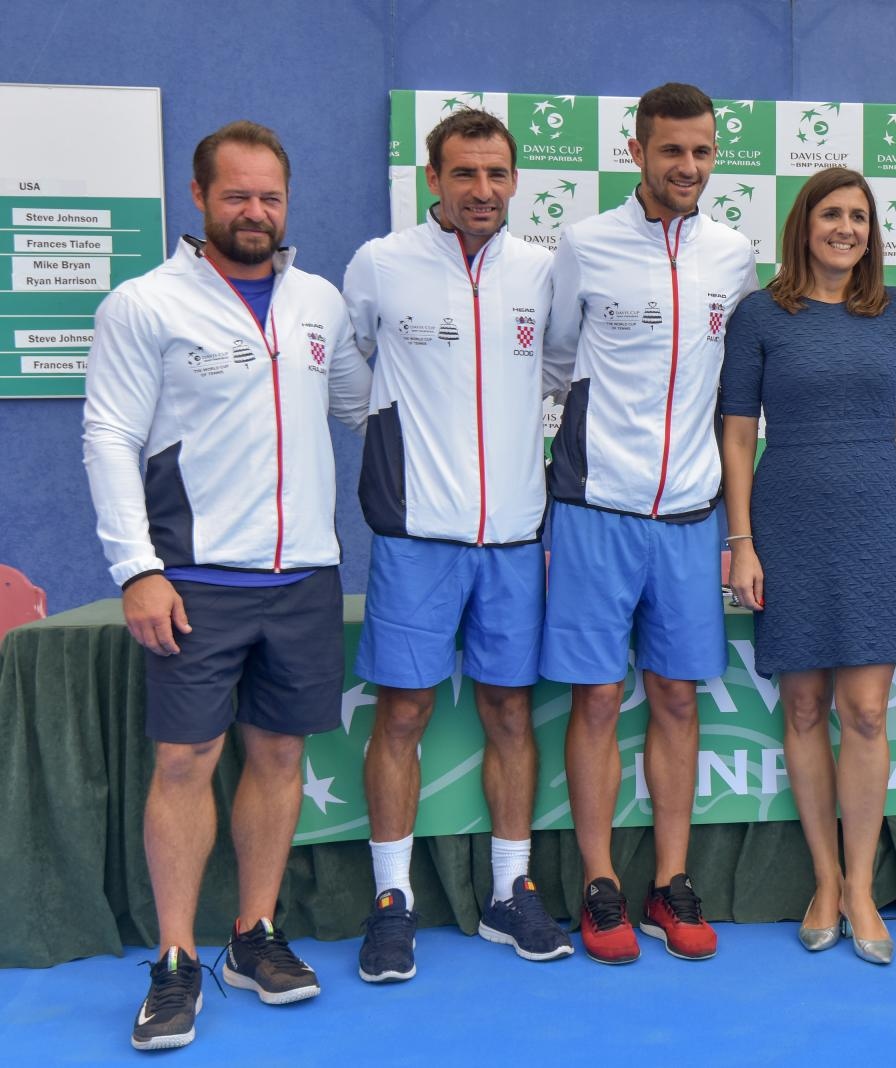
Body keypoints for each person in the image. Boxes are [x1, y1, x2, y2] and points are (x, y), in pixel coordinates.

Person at [83, 120, 371, 1050]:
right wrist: (137, 570)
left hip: (304, 577)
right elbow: (110, 440)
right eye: (238, 195)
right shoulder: (145, 304)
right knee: (184, 763)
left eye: (271, 197)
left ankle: (253, 935)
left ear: (289, 202)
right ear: (200, 199)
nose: (256, 212)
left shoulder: (319, 302)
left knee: (280, 759)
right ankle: (175, 961)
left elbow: (363, 403)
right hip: (194, 582)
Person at [343, 108, 570, 982]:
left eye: (498, 175)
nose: (482, 191)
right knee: (402, 714)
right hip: (419, 540)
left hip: (514, 537)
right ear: (433, 179)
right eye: (464, 174)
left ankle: (510, 894)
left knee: (511, 712)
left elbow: (552, 370)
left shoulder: (543, 272)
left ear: (516, 181)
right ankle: (392, 900)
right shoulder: (379, 265)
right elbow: (357, 373)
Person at [542, 82, 758, 964]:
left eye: (703, 152)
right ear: (637, 151)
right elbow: (558, 359)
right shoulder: (584, 244)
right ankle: (600, 884)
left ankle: (671, 884)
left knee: (675, 697)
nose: (688, 167)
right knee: (596, 698)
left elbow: (734, 387)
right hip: (595, 506)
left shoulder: (735, 254)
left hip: (690, 513)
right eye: (672, 151)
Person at [721, 167, 896, 965]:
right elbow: (739, 434)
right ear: (802, 225)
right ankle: (821, 879)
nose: (845, 227)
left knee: (868, 713)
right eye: (830, 214)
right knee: (805, 708)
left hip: (879, 519)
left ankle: (858, 885)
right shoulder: (759, 314)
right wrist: (741, 541)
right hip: (788, 521)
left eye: (858, 216)